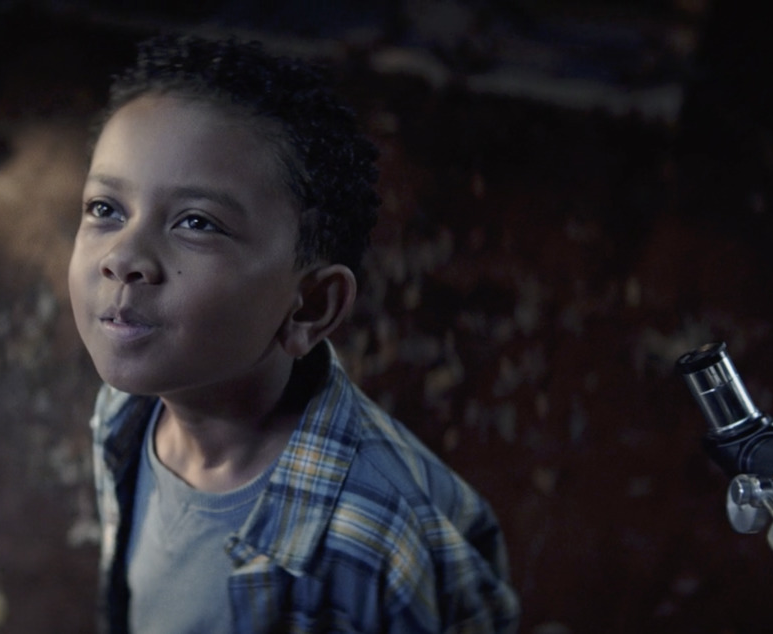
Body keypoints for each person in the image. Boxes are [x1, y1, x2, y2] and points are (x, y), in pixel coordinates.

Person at [69, 34, 520, 633]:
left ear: (309, 305)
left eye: (196, 222)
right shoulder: (127, 409)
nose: (124, 257)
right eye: (106, 209)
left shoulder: (382, 539)